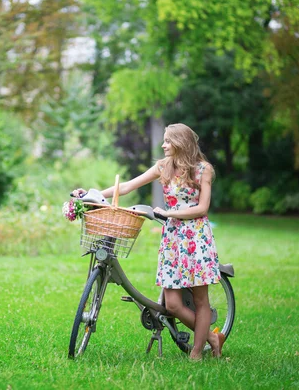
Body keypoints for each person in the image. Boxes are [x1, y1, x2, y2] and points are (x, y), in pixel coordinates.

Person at [72, 123, 225, 360]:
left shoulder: (202, 170)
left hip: (196, 238)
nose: (163, 145)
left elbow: (202, 207)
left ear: (180, 143)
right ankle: (212, 338)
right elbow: (126, 186)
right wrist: (93, 195)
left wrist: (169, 213)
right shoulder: (163, 167)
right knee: (172, 305)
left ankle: (196, 352)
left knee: (200, 299)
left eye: (167, 141)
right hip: (173, 239)